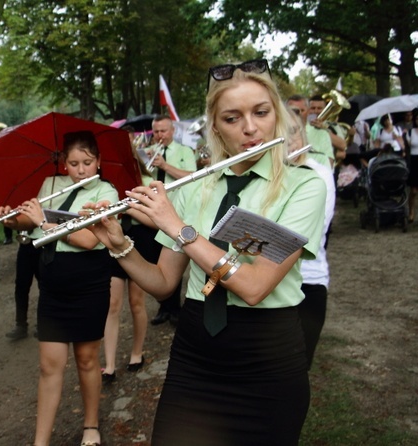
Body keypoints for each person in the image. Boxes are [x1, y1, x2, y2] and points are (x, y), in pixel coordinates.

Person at [86, 59, 326, 445]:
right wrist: (120, 246)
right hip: (196, 353)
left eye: (261, 112)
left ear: (276, 115)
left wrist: (178, 226)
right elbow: (163, 284)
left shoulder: (303, 187)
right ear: (215, 126)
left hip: (267, 354)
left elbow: (254, 287)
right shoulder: (199, 188)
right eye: (233, 118)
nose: (250, 128)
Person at [0, 130, 118, 446]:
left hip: (88, 283)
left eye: (87, 162)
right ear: (64, 162)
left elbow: (89, 239)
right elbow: (29, 219)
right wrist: (11, 220)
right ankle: (41, 441)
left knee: (87, 359)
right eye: (74, 162)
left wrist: (42, 224)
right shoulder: (51, 185)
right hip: (53, 286)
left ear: (99, 162)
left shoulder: (107, 192)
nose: (80, 169)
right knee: (49, 365)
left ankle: (91, 425)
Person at [101, 143, 160, 384]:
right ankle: (110, 364)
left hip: (143, 243)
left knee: (136, 302)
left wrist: (129, 208)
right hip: (116, 243)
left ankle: (137, 352)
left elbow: (156, 222)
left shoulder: (147, 181)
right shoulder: (105, 186)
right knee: (112, 304)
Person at [288, 112, 337, 369]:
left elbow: (309, 234)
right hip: (272, 287)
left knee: (299, 364)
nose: (289, 140)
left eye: (294, 131)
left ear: (304, 133)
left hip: (309, 279)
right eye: (281, 133)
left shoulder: (319, 174)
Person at [146, 115, 197, 325]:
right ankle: (164, 308)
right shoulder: (148, 153)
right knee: (158, 262)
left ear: (173, 131)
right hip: (150, 214)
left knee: (174, 260)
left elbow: (193, 176)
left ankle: (176, 310)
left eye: (163, 131)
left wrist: (165, 166)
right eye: (156, 132)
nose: (159, 135)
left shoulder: (184, 151)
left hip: (175, 214)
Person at [286, 94, 336, 170]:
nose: (297, 114)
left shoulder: (322, 134)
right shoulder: (277, 133)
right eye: (293, 110)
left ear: (308, 111)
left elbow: (329, 163)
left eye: (301, 110)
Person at [406, 108, 418, 223]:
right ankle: (411, 212)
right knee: (413, 191)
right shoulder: (410, 132)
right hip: (414, 161)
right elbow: (408, 146)